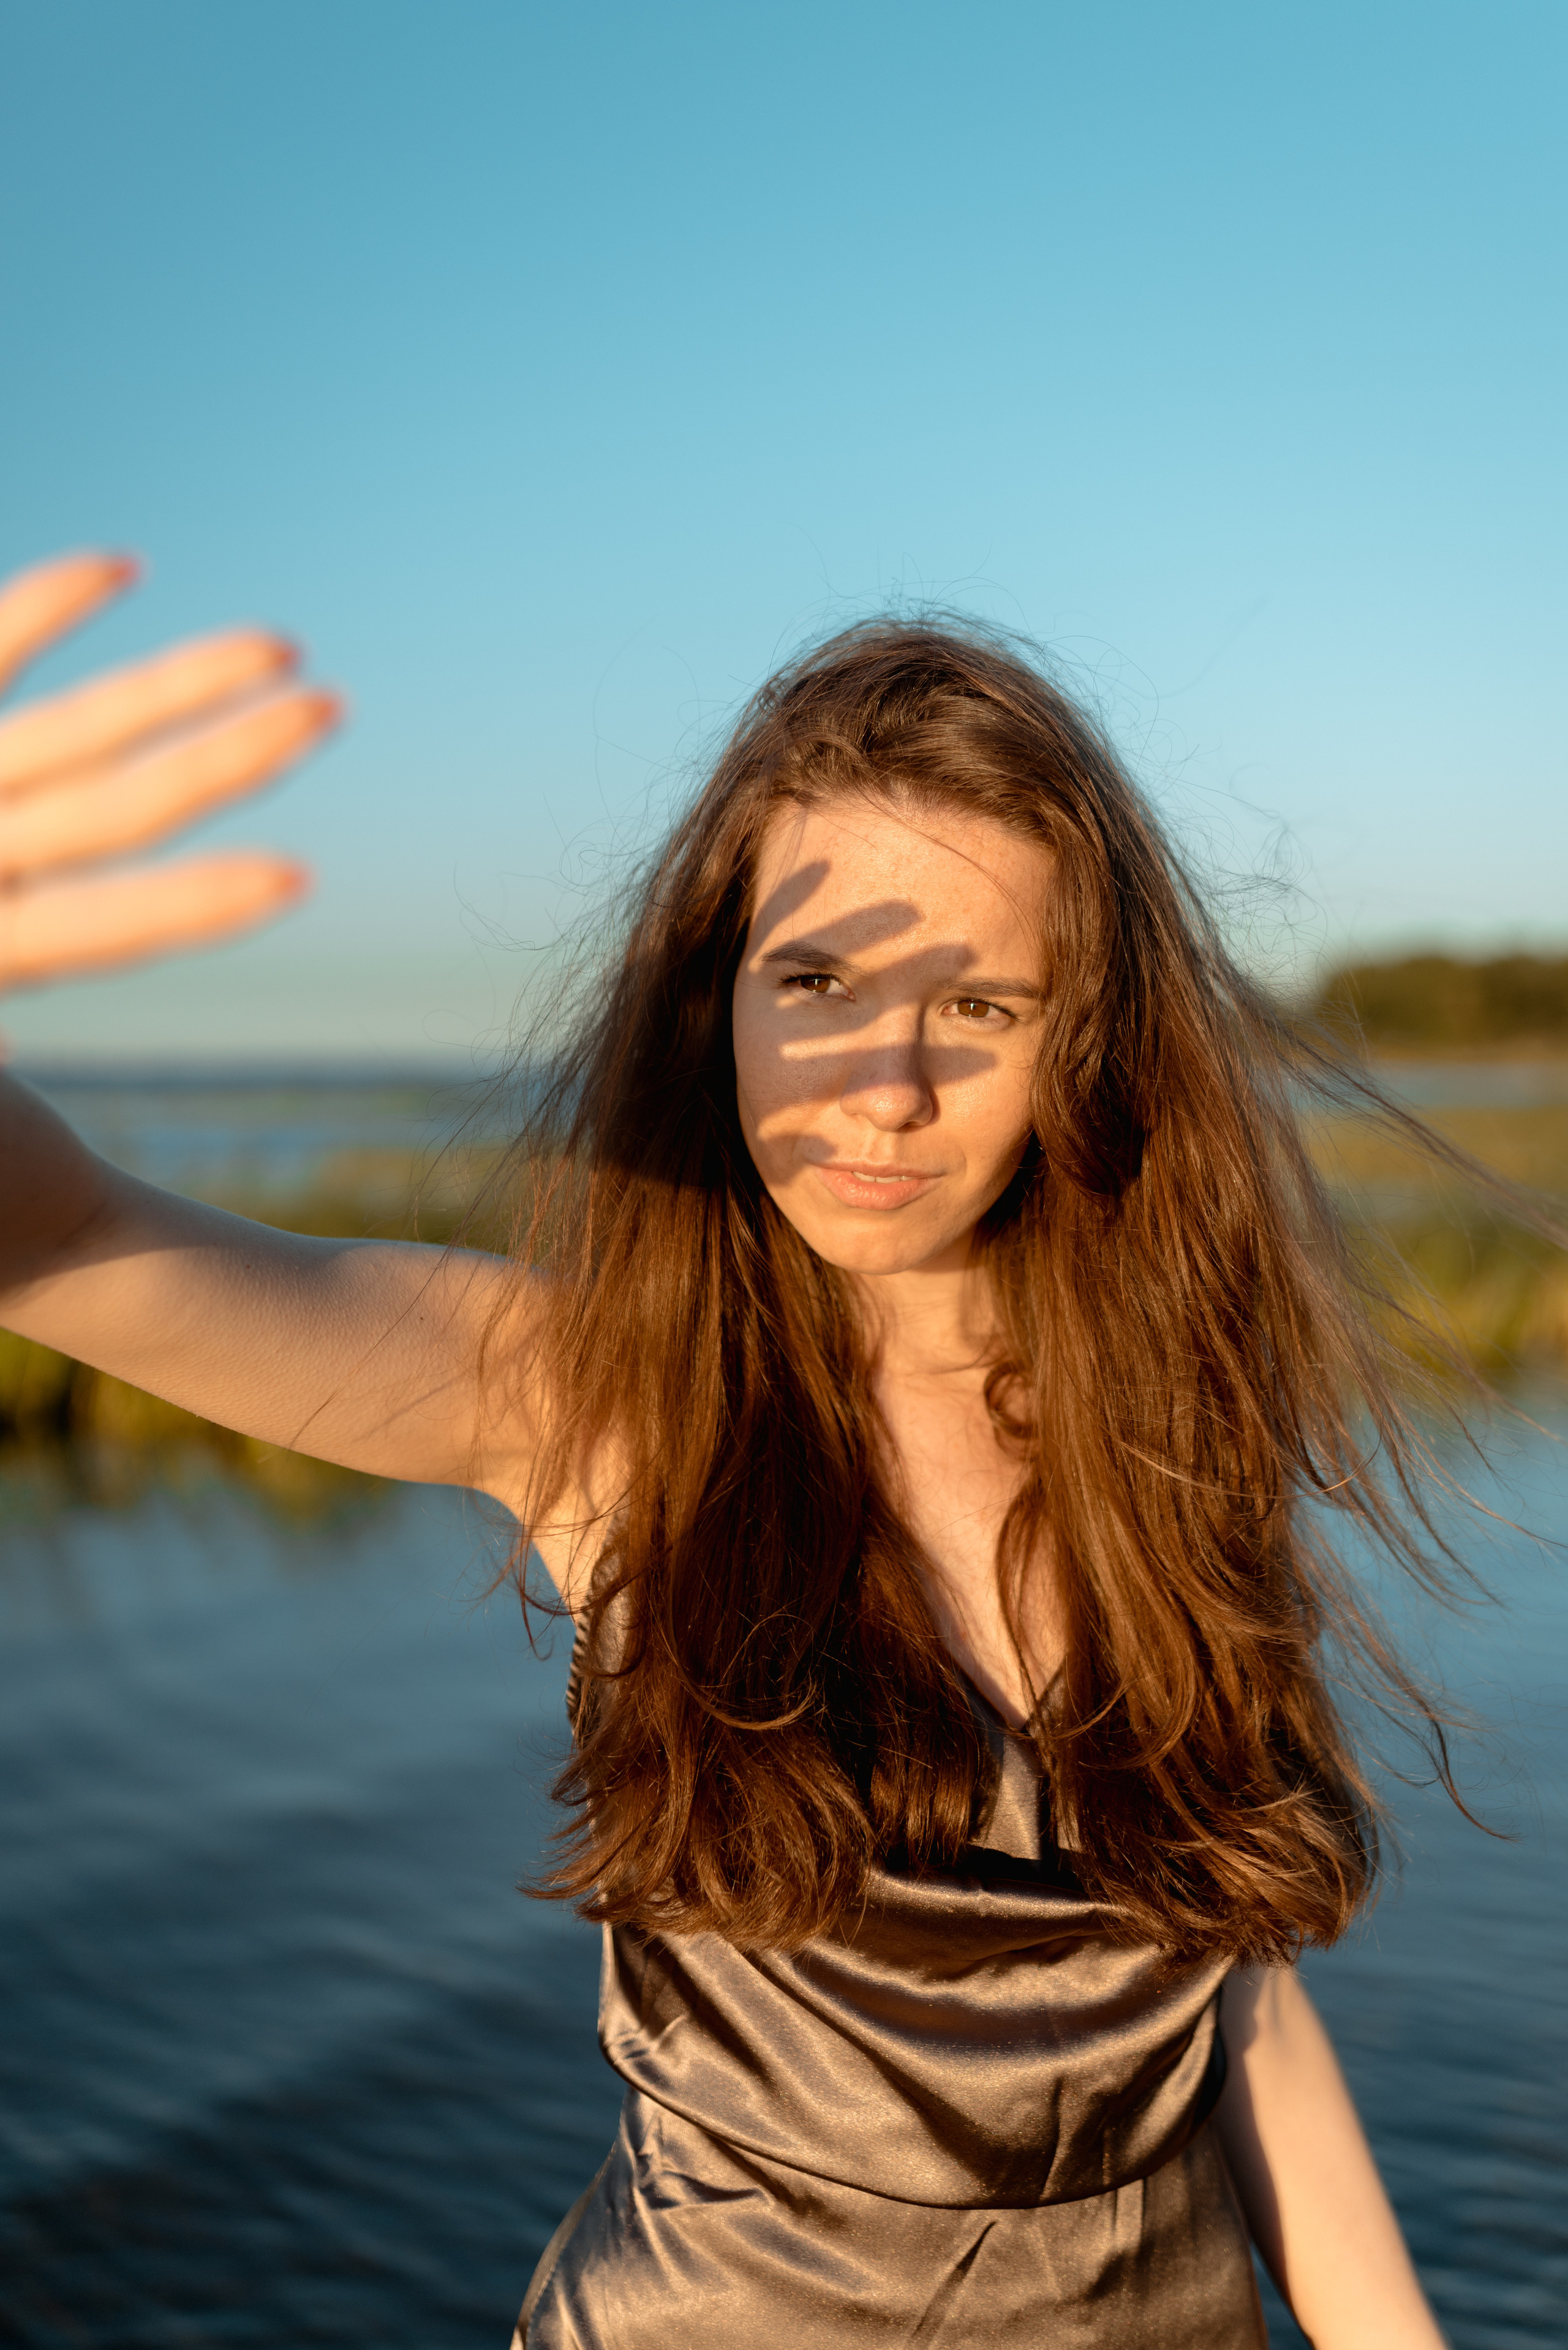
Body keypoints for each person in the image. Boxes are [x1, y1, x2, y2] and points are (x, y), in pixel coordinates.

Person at [0, 549, 1461, 2349]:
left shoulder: (1163, 1427)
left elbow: (1231, 1992)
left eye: (981, 1007)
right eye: (819, 979)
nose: (887, 1087)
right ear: (718, 1004)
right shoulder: (590, 1396)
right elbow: (65, 1240)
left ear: (1082, 1045)